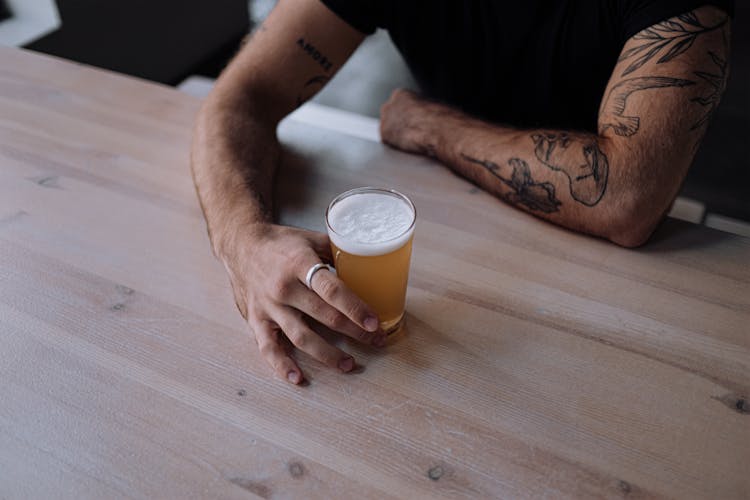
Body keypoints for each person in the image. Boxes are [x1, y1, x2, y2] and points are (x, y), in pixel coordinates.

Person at [190, 0, 734, 384]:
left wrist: (432, 129)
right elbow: (241, 98)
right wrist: (243, 241)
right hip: (455, 241)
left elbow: (627, 198)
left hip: (621, 296)